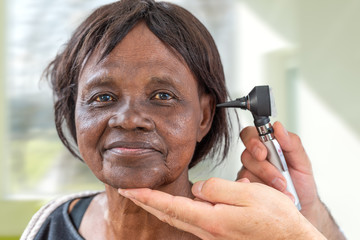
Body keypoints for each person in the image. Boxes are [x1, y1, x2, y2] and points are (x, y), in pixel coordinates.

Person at [20, 0, 345, 239]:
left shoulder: (248, 236)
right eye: (102, 97)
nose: (130, 120)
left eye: (163, 96)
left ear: (204, 116)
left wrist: (308, 216)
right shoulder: (49, 226)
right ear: (74, 112)